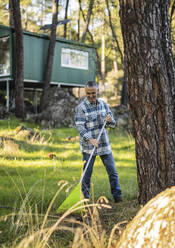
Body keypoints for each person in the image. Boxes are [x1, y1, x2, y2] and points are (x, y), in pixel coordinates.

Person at [75, 80, 122, 203]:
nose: (90, 96)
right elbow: (80, 126)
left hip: (104, 145)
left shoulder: (104, 104)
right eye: (88, 93)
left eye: (93, 93)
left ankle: (118, 197)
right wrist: (90, 139)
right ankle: (85, 200)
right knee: (86, 175)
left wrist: (110, 120)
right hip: (88, 147)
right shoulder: (81, 108)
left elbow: (113, 124)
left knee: (113, 172)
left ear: (98, 91)